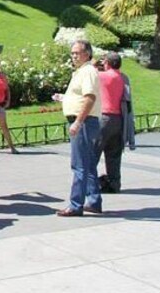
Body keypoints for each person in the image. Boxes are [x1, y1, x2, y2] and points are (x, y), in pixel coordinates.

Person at [53, 40, 102, 217]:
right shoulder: (82, 71)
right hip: (85, 121)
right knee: (88, 164)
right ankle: (94, 201)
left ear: (87, 54)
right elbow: (80, 96)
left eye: (77, 52)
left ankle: (75, 204)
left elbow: (90, 98)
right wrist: (64, 98)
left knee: (79, 165)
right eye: (72, 53)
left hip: (85, 122)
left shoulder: (88, 71)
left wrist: (78, 122)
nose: (74, 56)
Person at [96, 52, 132, 194]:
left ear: (107, 63)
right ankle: (114, 183)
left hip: (104, 117)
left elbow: (86, 73)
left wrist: (95, 64)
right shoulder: (123, 78)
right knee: (114, 154)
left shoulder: (103, 76)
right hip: (119, 119)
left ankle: (91, 184)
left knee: (94, 152)